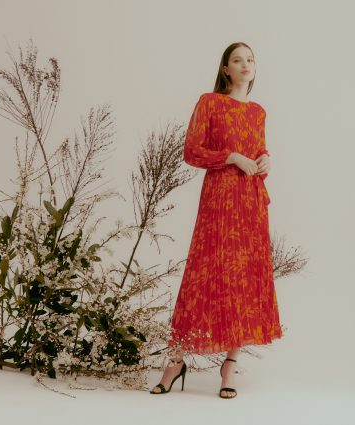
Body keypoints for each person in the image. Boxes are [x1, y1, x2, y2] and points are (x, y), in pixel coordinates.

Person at [149, 42, 283, 399]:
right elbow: (191, 151)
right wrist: (232, 157)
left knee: (243, 279)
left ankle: (230, 366)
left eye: (250, 59)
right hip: (219, 199)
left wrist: (265, 159)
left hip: (250, 204)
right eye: (237, 60)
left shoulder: (258, 111)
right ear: (225, 69)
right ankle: (175, 361)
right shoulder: (210, 102)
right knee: (203, 272)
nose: (245, 65)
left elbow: (258, 151)